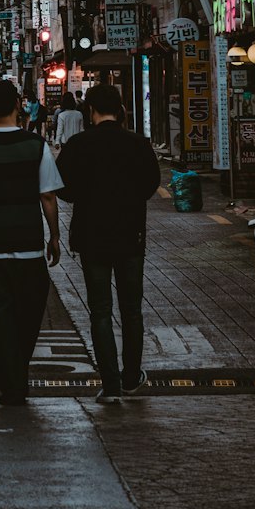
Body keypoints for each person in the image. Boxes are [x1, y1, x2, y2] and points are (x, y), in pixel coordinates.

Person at [56, 84, 161, 404]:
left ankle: (110, 383)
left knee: (100, 310)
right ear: (121, 108)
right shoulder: (138, 144)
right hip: (130, 235)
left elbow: (64, 188)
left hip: (92, 236)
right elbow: (150, 184)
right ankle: (131, 376)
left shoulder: (79, 144)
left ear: (91, 110)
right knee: (131, 309)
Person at [0, 79, 62, 406]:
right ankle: (18, 371)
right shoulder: (36, 145)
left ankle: (9, 383)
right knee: (30, 310)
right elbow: (47, 195)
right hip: (29, 240)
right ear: (19, 104)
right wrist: (55, 236)